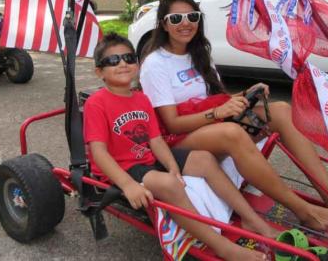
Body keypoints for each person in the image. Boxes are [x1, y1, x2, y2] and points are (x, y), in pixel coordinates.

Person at [139, 0, 328, 231]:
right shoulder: (155, 63)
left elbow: (213, 100)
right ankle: (304, 211)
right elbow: (172, 124)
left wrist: (246, 94)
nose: (185, 23)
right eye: (176, 18)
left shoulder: (200, 53)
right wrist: (217, 113)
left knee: (280, 110)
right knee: (231, 132)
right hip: (175, 139)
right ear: (164, 24)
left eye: (191, 16)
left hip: (207, 126)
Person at [83, 32, 276, 261]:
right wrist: (127, 185)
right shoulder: (97, 103)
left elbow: (155, 140)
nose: (123, 63)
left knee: (204, 159)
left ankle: (249, 218)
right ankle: (223, 247)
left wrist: (173, 165)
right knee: (168, 183)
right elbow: (99, 153)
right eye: (112, 61)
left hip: (147, 160)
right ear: (99, 72)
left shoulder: (142, 99)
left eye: (128, 58)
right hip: (121, 168)